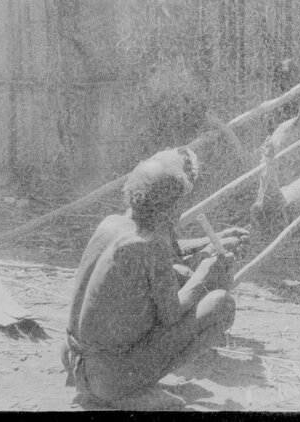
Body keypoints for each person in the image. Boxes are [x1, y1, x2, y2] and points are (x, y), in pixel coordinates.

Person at [61, 148, 248, 404]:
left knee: (180, 273)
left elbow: (166, 259)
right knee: (220, 304)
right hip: (110, 378)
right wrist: (205, 270)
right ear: (169, 207)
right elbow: (171, 314)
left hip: (73, 360)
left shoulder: (111, 224)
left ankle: (119, 385)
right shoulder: (152, 243)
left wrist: (209, 244)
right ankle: (135, 391)